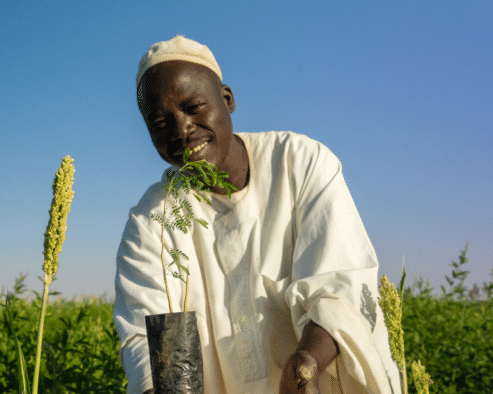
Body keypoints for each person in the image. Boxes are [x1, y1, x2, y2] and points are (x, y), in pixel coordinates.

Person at [113, 35, 401, 394]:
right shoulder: (155, 218)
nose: (181, 130)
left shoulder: (300, 163)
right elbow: (151, 334)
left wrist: (307, 362)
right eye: (160, 123)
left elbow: (341, 285)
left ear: (227, 100)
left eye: (193, 107)